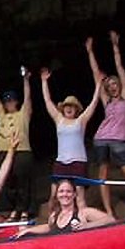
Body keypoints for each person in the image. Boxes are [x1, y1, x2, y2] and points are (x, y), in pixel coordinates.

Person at [87, 31, 125, 216]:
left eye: (115, 83)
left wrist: (116, 47)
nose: (112, 86)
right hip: (101, 139)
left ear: (119, 85)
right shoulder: (106, 100)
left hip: (119, 141)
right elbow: (95, 74)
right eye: (110, 85)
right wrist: (90, 51)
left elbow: (120, 67)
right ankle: (108, 211)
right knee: (103, 176)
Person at [40, 66, 103, 208]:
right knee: (54, 196)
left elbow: (94, 102)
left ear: (76, 110)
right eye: (67, 106)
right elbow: (48, 101)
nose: (69, 108)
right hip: (61, 162)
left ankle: (82, 226)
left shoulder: (81, 120)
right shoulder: (58, 119)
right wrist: (44, 81)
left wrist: (98, 84)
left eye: (72, 106)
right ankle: (54, 226)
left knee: (79, 197)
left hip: (78, 161)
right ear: (63, 108)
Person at [0, 66, 39, 220]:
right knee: (6, 183)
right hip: (2, 151)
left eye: (11, 100)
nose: (9, 103)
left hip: (22, 151)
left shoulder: (23, 114)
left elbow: (28, 98)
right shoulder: (1, 115)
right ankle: (12, 209)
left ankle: (24, 210)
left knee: (23, 182)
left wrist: (26, 80)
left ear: (16, 102)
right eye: (6, 101)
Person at [15, 178, 115, 237]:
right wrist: (27, 230)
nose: (65, 195)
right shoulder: (54, 216)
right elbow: (49, 227)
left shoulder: (84, 213)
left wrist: (87, 226)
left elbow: (110, 220)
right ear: (57, 195)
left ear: (74, 194)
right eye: (61, 191)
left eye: (68, 191)